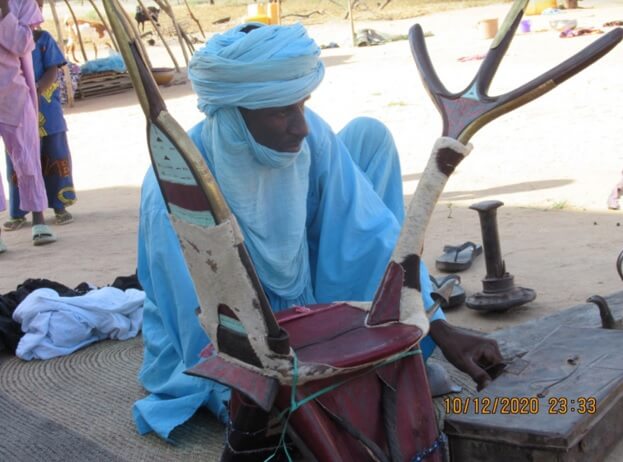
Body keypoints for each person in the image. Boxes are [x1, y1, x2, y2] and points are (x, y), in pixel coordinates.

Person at [134, 23, 503, 440]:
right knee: (281, 411)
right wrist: (267, 383)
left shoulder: (312, 140)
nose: (302, 127)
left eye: (303, 105)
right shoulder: (176, 183)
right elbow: (192, 315)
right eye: (281, 112)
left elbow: (370, 233)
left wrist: (435, 325)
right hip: (229, 333)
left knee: (368, 136)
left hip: (309, 301)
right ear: (235, 115)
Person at [3, 27, 76, 232]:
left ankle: (59, 206)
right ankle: (19, 212)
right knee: (19, 160)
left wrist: (37, 88)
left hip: (46, 107)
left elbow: (54, 68)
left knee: (55, 156)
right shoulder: (5, 36)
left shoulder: (43, 39)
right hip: (16, 108)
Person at [0, 0, 56, 254]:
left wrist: (4, 10)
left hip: (15, 94)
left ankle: (39, 221)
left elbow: (23, 44)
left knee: (27, 156)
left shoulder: (22, 3)